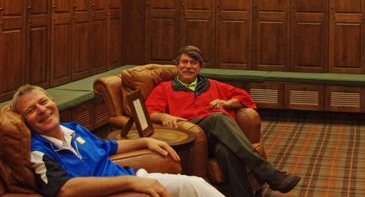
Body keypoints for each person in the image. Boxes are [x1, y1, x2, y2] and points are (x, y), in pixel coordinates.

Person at [10, 84, 225, 197]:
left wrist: (144, 142)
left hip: (132, 177)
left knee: (194, 185)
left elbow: (108, 146)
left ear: (53, 101)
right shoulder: (37, 150)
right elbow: (65, 189)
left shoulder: (73, 129)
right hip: (116, 191)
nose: (42, 110)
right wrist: (133, 183)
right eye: (31, 110)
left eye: (43, 102)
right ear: (24, 120)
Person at [145, 45, 301, 197]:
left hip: (215, 138)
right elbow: (149, 112)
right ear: (177, 66)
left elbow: (245, 98)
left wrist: (227, 103)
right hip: (191, 134)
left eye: (193, 63)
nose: (188, 66)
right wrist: (164, 116)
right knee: (218, 118)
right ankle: (271, 174)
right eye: (184, 62)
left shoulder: (213, 85)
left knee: (225, 150)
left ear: (199, 67)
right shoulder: (164, 88)